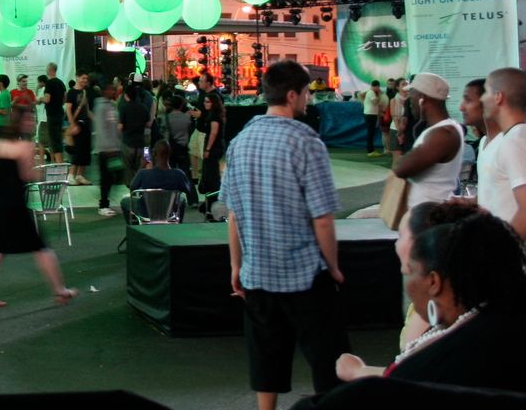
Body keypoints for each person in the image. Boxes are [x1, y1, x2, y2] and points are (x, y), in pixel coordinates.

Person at [220, 59, 348, 410]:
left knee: (265, 356)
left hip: (257, 273)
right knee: (328, 359)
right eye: (306, 93)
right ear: (292, 95)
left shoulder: (239, 142)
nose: (309, 99)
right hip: (304, 273)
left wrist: (236, 266)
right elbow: (322, 218)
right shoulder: (307, 142)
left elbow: (233, 214)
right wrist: (333, 267)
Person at [336, 212, 526, 393]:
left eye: (410, 270)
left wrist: (358, 372)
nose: (405, 276)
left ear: (434, 282)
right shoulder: (508, 316)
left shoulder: (434, 364)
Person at [0, 106, 78, 309]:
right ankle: (60, 290)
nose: (32, 123)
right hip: (16, 205)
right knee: (41, 247)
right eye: (29, 119)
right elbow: (27, 175)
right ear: (20, 122)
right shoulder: (26, 147)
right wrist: (40, 168)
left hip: (0, 205)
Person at [392, 73, 462, 208]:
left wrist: (406, 158)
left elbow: (401, 169)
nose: (409, 100)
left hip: (432, 214)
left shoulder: (442, 134)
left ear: (422, 98)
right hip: (427, 212)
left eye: (412, 94)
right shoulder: (439, 129)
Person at [477, 67, 526, 236]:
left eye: (485, 92)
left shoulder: (515, 139)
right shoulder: (514, 137)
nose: (481, 99)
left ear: (498, 97)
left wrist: (503, 248)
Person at [129, 141, 195, 220]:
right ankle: (176, 223)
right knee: (182, 200)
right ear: (170, 153)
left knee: (125, 202)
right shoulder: (178, 174)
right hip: (169, 213)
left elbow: (132, 188)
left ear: (154, 154)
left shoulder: (143, 174)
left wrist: (142, 166)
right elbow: (188, 190)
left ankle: (136, 225)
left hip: (146, 213)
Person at [92, 81, 122, 217]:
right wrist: (108, 147)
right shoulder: (101, 106)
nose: (113, 92)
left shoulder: (111, 105)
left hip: (113, 147)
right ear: (105, 91)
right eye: (110, 89)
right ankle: (103, 205)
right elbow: (101, 128)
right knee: (106, 178)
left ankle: (105, 202)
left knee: (112, 177)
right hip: (105, 149)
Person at [65, 72, 93, 185]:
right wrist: (72, 125)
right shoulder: (71, 92)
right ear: (77, 77)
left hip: (86, 125)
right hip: (77, 124)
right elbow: (68, 109)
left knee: (85, 151)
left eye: (86, 78)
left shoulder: (85, 92)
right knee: (77, 151)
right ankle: (71, 175)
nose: (85, 80)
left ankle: (80, 175)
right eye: (83, 78)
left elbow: (87, 110)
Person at [197, 91, 227, 199]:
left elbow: (213, 133)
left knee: (212, 173)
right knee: (212, 171)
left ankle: (214, 195)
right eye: (205, 101)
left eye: (208, 102)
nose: (205, 104)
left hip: (214, 147)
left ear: (213, 103)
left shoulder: (214, 116)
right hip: (217, 146)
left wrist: (208, 149)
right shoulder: (216, 114)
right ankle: (213, 195)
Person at [165, 95, 196, 190]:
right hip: (183, 148)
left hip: (170, 149)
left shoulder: (167, 118)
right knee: (186, 175)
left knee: (170, 174)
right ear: (181, 105)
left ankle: (172, 195)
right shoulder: (187, 118)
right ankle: (191, 197)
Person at [117, 85, 149, 174]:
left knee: (128, 170)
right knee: (141, 169)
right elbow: (148, 124)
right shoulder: (144, 107)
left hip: (128, 143)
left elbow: (120, 126)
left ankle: (131, 181)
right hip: (141, 143)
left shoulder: (124, 108)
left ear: (126, 95)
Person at [42, 63, 67, 165]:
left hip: (52, 114)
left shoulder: (49, 83)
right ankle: (59, 161)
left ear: (50, 69)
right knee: (59, 138)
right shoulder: (61, 82)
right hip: (60, 113)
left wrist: (40, 99)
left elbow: (47, 99)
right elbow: (65, 98)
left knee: (54, 139)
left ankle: (60, 163)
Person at [357, 79, 390, 157]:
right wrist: (379, 94)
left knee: (371, 133)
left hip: (371, 114)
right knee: (370, 133)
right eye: (377, 87)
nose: (378, 89)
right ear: (376, 86)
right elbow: (375, 102)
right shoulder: (371, 92)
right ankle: (370, 151)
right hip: (370, 115)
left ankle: (371, 150)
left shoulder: (371, 92)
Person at [10, 74, 37, 147]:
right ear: (18, 82)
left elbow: (32, 107)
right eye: (23, 81)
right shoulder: (12, 92)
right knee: (14, 144)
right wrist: (15, 102)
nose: (25, 83)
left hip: (26, 123)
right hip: (15, 122)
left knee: (27, 143)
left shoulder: (30, 92)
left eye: (26, 81)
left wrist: (27, 99)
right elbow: (9, 106)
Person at [389, 78, 410, 165]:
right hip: (396, 130)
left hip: (408, 130)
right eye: (403, 84)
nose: (406, 86)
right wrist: (400, 134)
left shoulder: (411, 99)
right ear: (397, 87)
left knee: (407, 160)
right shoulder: (394, 100)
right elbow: (395, 118)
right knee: (397, 160)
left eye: (407, 84)